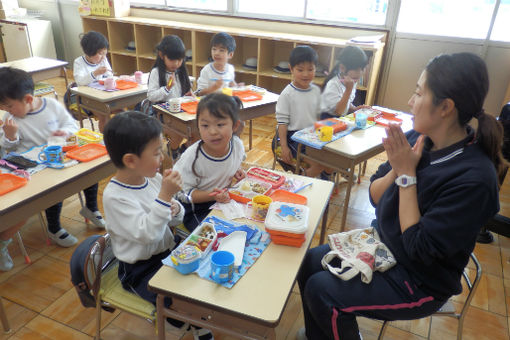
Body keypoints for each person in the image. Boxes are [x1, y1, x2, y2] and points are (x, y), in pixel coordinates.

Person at [295, 52, 504, 340]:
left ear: (445, 107)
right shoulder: (419, 137)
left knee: (323, 292)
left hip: (419, 280)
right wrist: (398, 169)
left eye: (418, 93)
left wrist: (407, 178)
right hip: (384, 245)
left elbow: (419, 248)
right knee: (307, 265)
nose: (410, 101)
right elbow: (374, 196)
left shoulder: (475, 179)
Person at [102, 111, 214, 340]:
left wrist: (174, 208)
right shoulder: (115, 197)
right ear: (131, 160)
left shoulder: (151, 178)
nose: (162, 157)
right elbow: (148, 234)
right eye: (156, 152)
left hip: (167, 251)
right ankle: (181, 320)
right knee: (178, 299)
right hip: (139, 268)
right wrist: (164, 197)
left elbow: (175, 219)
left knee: (203, 274)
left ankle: (190, 317)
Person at [0, 68, 106, 269]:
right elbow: (6, 149)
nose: (7, 109)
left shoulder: (51, 106)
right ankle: (54, 228)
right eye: (3, 105)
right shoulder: (10, 119)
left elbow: (72, 126)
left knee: (89, 171)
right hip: (32, 169)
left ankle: (91, 207)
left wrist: (64, 132)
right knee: (52, 191)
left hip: (59, 157)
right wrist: (11, 136)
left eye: (9, 105)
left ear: (28, 99)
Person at [173, 93, 246, 232]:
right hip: (194, 209)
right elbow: (182, 194)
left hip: (221, 200)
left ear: (235, 125)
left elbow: (235, 162)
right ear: (198, 127)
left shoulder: (237, 145)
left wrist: (237, 170)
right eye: (205, 125)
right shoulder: (192, 158)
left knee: (243, 225)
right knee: (216, 236)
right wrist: (210, 195)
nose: (212, 131)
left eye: (220, 124)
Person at [274, 45, 329, 179]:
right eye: (300, 70)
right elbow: (282, 123)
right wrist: (284, 147)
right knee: (320, 165)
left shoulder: (315, 90)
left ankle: (320, 183)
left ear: (316, 69)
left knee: (331, 162)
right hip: (293, 138)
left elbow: (318, 117)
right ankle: (298, 184)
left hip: (312, 136)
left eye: (310, 69)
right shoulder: (287, 94)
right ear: (291, 69)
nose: (305, 74)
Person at [147, 35, 192, 160]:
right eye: (172, 60)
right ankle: (174, 151)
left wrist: (190, 95)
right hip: (161, 116)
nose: (176, 64)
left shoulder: (181, 71)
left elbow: (185, 92)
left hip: (180, 114)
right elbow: (151, 96)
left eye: (180, 60)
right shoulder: (157, 72)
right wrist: (167, 88)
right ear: (162, 55)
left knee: (197, 132)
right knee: (178, 133)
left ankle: (181, 150)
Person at [73, 31, 113, 132]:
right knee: (104, 115)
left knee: (122, 112)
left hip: (103, 96)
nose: (103, 57)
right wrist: (95, 73)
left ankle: (118, 137)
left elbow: (110, 74)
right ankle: (105, 141)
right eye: (100, 54)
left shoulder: (103, 60)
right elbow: (80, 81)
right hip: (88, 99)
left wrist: (108, 76)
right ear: (89, 52)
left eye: (105, 53)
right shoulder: (79, 62)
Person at [320, 45, 370, 119]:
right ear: (342, 68)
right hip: (326, 119)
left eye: (363, 69)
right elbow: (338, 112)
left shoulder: (351, 80)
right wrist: (348, 90)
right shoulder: (333, 84)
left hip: (339, 118)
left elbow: (346, 103)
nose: (360, 72)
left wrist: (355, 109)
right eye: (356, 69)